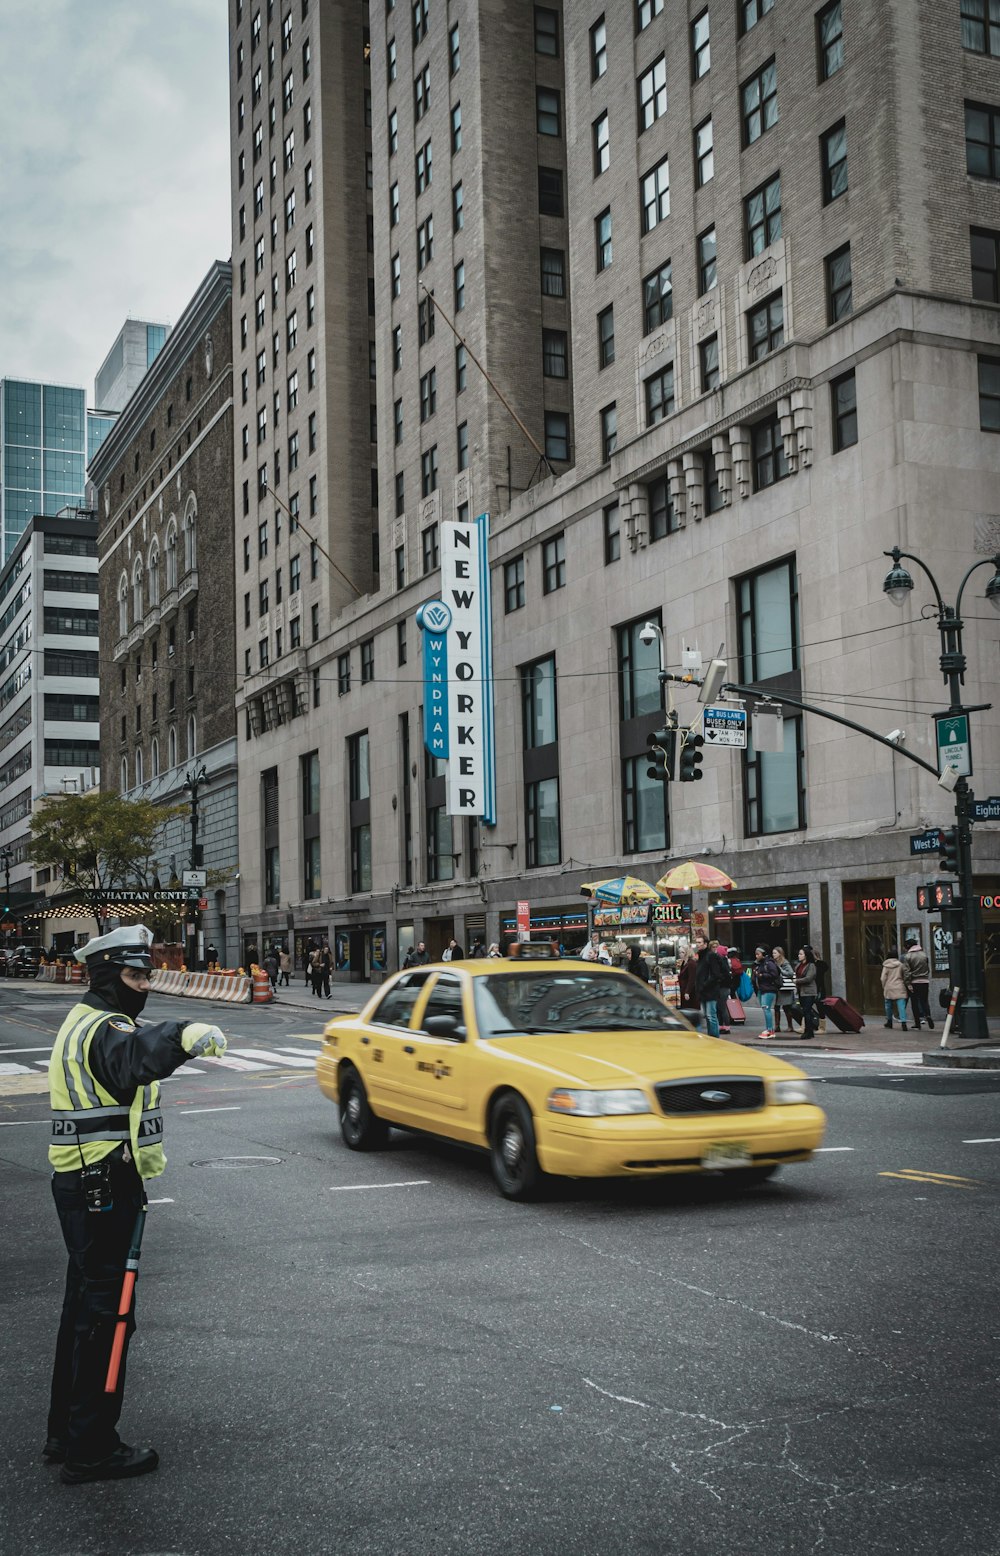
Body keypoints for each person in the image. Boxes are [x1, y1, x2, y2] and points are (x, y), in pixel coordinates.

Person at [45, 925, 228, 1484]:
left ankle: (68, 1433)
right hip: (103, 1188)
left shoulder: (86, 1020)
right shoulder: (106, 1029)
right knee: (108, 1317)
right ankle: (92, 1448)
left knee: (84, 1313)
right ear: (107, 976)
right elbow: (132, 1058)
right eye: (134, 975)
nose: (144, 984)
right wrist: (183, 1033)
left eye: (148, 974)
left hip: (88, 1183)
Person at [694, 935, 731, 1038]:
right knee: (707, 1015)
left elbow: (716, 974)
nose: (697, 945)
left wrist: (705, 984)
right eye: (696, 942)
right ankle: (711, 1036)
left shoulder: (710, 956)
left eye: (699, 942)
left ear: (705, 944)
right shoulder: (701, 956)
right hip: (703, 990)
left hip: (710, 990)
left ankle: (714, 1036)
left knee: (711, 1015)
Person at [750, 945, 782, 1039]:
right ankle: (769, 1029)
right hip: (761, 989)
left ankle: (770, 1030)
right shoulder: (759, 964)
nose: (756, 956)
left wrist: (761, 975)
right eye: (755, 954)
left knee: (766, 1009)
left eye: (758, 954)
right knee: (765, 1009)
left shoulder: (769, 963)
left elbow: (774, 974)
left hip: (768, 989)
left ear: (763, 954)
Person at [904, 935, 933, 1030]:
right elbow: (927, 968)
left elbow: (907, 972)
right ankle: (928, 1015)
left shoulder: (908, 956)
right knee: (924, 1000)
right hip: (924, 981)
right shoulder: (924, 954)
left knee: (914, 1002)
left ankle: (917, 1023)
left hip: (914, 981)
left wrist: (908, 983)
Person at [881, 946, 909, 1030]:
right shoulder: (901, 965)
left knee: (888, 1005)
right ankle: (903, 1022)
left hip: (889, 986)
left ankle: (889, 1021)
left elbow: (883, 978)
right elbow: (905, 975)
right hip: (899, 986)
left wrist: (884, 986)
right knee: (901, 1005)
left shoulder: (886, 966)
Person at [773, 947, 800, 1033]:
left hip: (785, 989)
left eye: (775, 953)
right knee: (776, 1007)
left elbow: (790, 973)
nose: (773, 955)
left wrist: (780, 970)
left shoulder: (785, 962)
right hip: (778, 988)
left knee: (786, 1007)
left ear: (780, 954)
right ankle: (777, 1026)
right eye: (773, 953)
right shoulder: (774, 962)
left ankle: (790, 1026)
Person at [794, 946, 819, 1038]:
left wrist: (797, 981)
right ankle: (809, 1031)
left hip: (809, 991)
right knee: (805, 1011)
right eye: (799, 954)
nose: (799, 955)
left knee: (807, 1011)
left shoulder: (811, 965)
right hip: (801, 991)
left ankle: (808, 1031)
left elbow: (809, 978)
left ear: (806, 955)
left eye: (801, 954)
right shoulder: (799, 965)